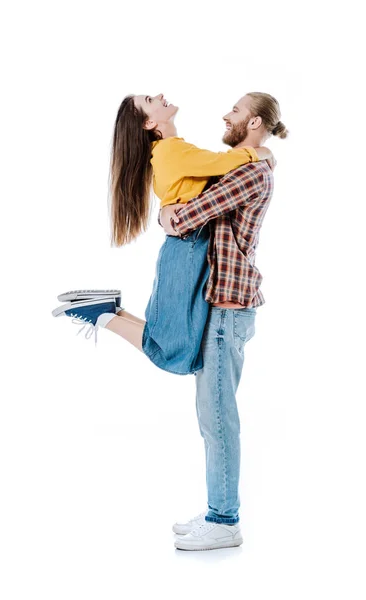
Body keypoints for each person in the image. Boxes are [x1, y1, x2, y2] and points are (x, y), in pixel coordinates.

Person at [53, 91, 288, 551]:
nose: (226, 114)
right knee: (190, 382)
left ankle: (224, 520)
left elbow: (189, 215)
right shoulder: (241, 163)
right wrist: (166, 213)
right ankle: (106, 313)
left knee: (217, 418)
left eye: (236, 111)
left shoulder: (251, 170)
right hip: (217, 302)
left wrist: (167, 214)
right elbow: (186, 202)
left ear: (256, 123)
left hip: (227, 308)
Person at [52, 93, 274, 376]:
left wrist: (167, 212)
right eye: (149, 99)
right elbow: (221, 164)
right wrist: (262, 153)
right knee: (174, 351)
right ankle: (102, 316)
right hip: (188, 246)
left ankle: (107, 311)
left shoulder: (175, 150)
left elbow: (206, 177)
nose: (159, 96)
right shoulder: (170, 150)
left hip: (189, 245)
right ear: (149, 122)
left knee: (178, 345)